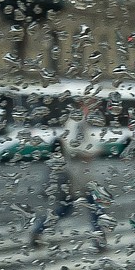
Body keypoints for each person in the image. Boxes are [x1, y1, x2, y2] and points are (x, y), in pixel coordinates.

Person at [30, 101, 108, 251]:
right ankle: (99, 239)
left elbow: (86, 142)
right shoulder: (76, 122)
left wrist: (92, 151)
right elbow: (70, 145)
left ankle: (38, 230)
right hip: (77, 173)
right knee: (92, 206)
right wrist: (86, 154)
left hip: (82, 172)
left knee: (74, 207)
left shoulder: (82, 121)